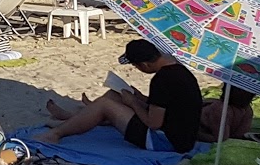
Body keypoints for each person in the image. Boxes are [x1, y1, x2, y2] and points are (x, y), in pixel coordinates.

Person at [38, 39, 202, 152]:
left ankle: (56, 134)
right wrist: (138, 97)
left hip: (165, 141)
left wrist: (134, 103)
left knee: (105, 104)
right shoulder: (177, 68)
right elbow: (167, 104)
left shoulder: (162, 79)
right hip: (178, 134)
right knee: (113, 95)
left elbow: (154, 123)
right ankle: (71, 118)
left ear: (144, 64)